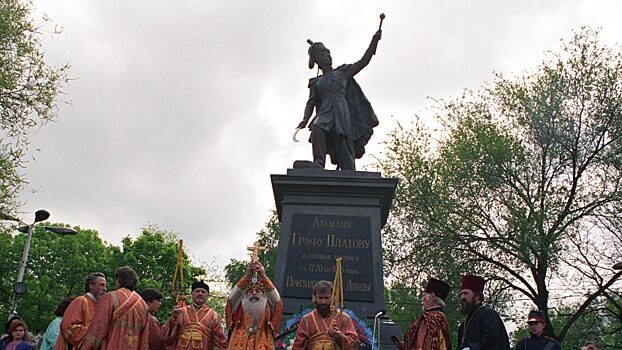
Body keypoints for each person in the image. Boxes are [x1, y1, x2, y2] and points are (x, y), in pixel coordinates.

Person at [295, 28, 382, 170]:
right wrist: (305, 119)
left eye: (328, 54)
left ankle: (348, 168)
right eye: (323, 55)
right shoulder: (316, 82)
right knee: (317, 126)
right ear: (317, 60)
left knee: (343, 139)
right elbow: (311, 102)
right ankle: (318, 162)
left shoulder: (342, 73)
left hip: (341, 109)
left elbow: (363, 62)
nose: (328, 57)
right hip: (325, 111)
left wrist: (374, 42)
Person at [80, 266, 150, 350]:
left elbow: (98, 329)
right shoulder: (143, 305)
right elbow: (144, 340)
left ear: (118, 279)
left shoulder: (110, 298)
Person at [225, 261, 283, 350]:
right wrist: (247, 277)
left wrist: (264, 277)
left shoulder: (268, 308)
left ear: (263, 294)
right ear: (246, 294)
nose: (254, 293)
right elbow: (231, 298)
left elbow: (277, 300)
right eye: (251, 291)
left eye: (258, 291)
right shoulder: (239, 307)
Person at [292, 280, 359, 350]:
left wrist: (340, 337)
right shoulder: (306, 319)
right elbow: (297, 346)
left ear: (332, 297)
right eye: (320, 298)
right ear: (314, 297)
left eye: (326, 298)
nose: (323, 302)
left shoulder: (343, 318)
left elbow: (354, 345)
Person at [161, 280, 227, 350]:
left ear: (207, 296)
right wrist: (173, 318)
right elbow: (165, 338)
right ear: (192, 294)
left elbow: (219, 340)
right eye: (197, 291)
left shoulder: (213, 315)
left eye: (203, 291)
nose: (200, 294)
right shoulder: (181, 311)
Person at [391, 278, 452, 350]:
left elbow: (420, 345)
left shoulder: (429, 319)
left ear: (432, 297)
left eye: (424, 295)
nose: (422, 299)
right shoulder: (441, 318)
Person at [55, 272, 107, 350]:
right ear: (91, 285)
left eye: (105, 286)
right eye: (102, 285)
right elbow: (68, 326)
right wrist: (95, 333)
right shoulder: (80, 301)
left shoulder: (101, 306)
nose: (105, 289)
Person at [457, 275, 510, 350]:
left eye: (466, 293)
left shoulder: (489, 315)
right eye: (461, 294)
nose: (462, 297)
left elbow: (493, 341)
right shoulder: (464, 324)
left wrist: (472, 348)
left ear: (477, 296)